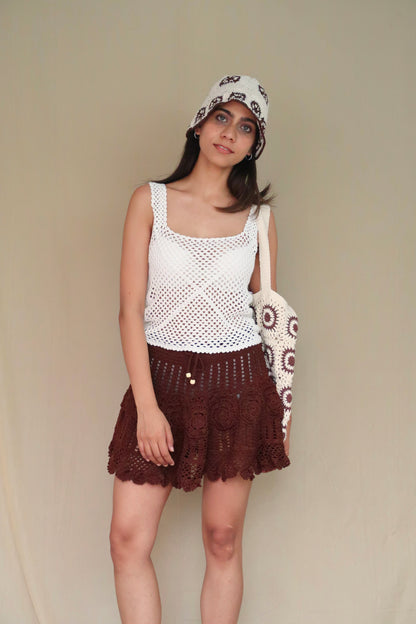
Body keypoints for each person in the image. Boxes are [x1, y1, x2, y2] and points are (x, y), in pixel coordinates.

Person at [107, 74, 291, 624]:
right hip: (159, 381)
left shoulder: (259, 220)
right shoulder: (150, 202)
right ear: (199, 123)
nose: (229, 133)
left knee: (223, 539)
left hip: (237, 386)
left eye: (246, 127)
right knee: (127, 539)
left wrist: (280, 412)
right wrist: (146, 407)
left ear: (254, 146)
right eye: (221, 117)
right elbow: (130, 311)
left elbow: (269, 319)